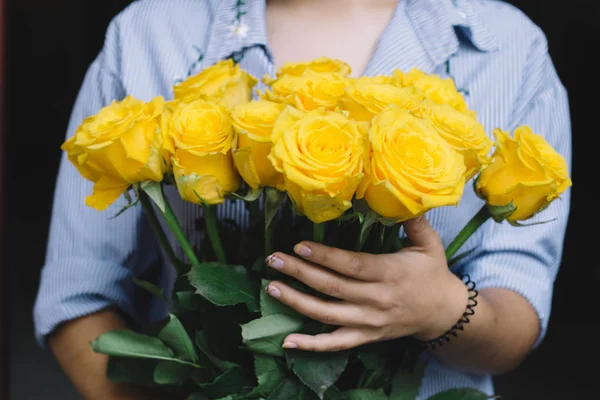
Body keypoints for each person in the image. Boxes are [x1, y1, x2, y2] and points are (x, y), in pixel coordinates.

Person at [34, 0, 572, 399]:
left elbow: (516, 318)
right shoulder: (150, 32)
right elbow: (77, 298)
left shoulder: (506, 46)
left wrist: (443, 310)